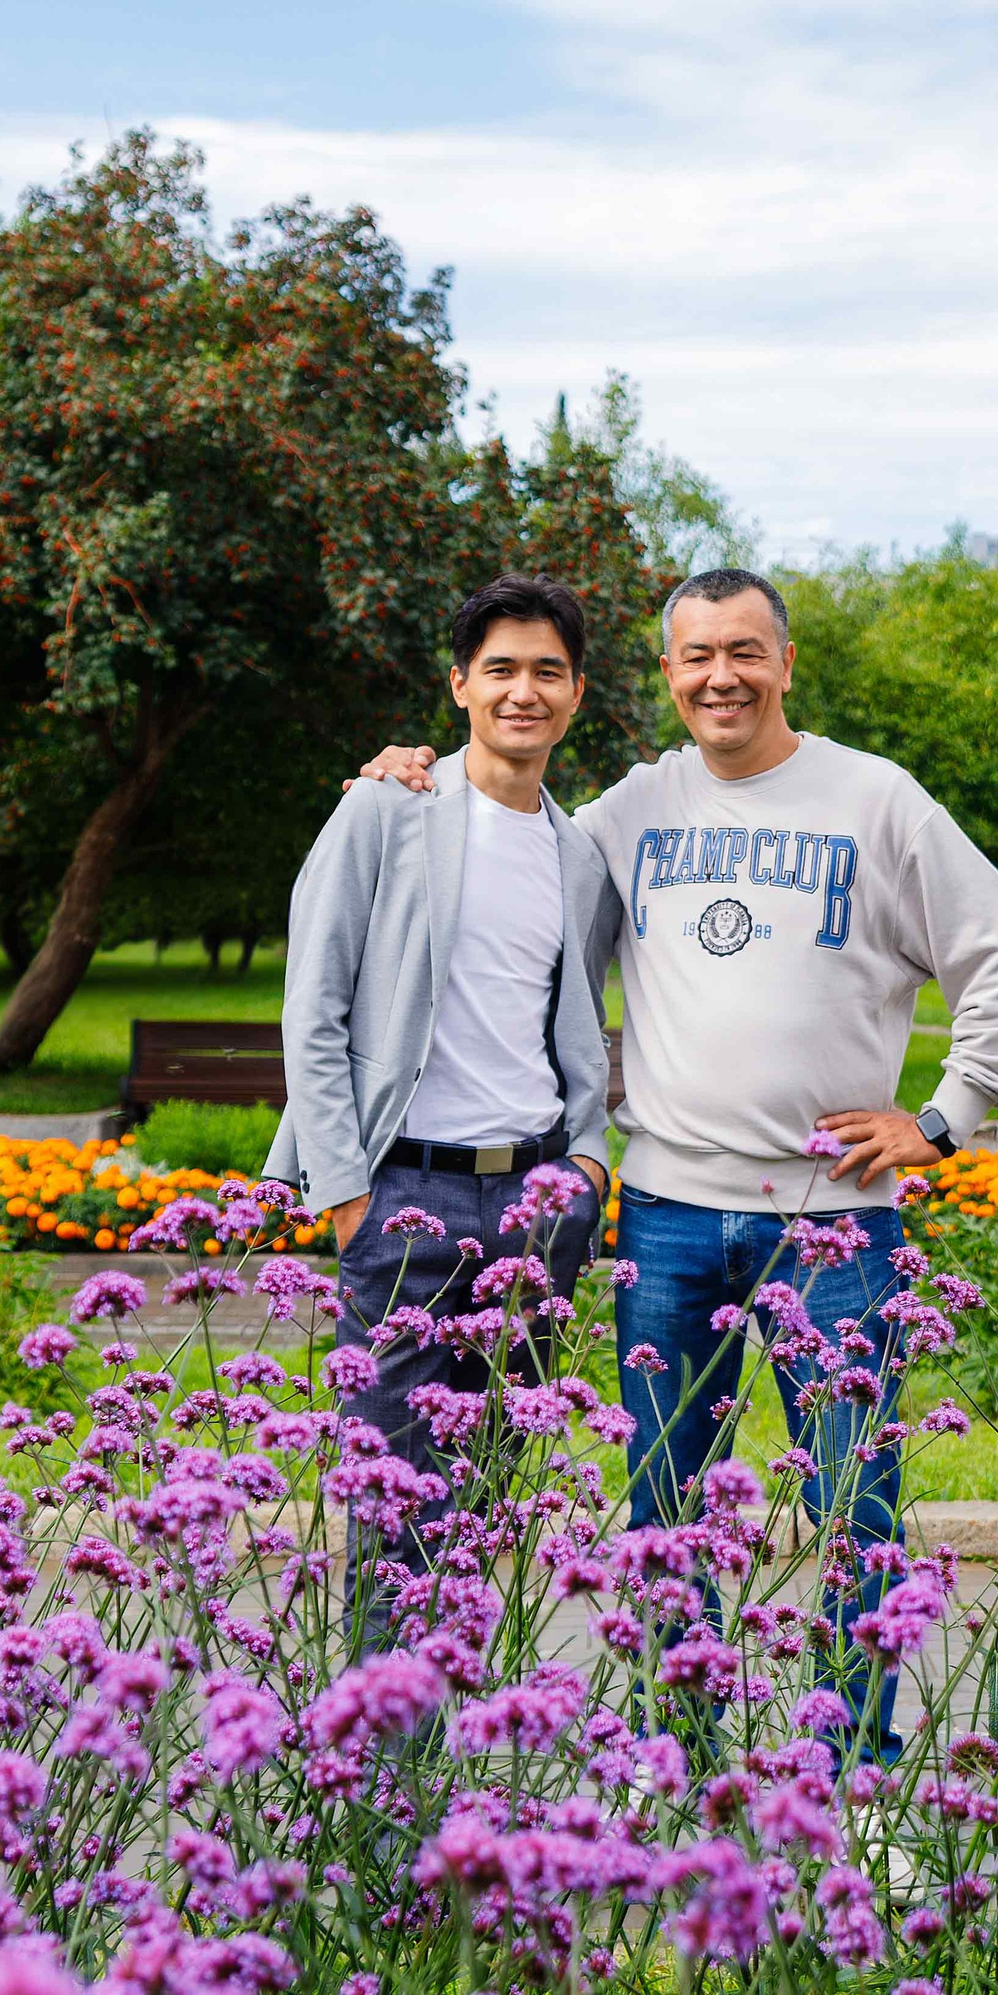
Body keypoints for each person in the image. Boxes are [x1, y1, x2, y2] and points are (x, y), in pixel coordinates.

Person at [352, 565, 998, 1757]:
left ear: (784, 663)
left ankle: (855, 1769)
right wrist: (402, 780)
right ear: (667, 672)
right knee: (664, 1508)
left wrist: (943, 1116)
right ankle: (680, 1751)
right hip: (667, 1216)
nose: (718, 675)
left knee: (853, 1504)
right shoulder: (631, 809)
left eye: (743, 650)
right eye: (694, 655)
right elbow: (509, 863)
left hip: (833, 1223)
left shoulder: (876, 801)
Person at [270, 572, 620, 1637]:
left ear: (575, 693)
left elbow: (575, 1021)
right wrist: (343, 1195)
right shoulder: (389, 810)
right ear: (460, 683)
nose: (524, 691)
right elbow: (314, 1005)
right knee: (392, 1514)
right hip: (401, 1202)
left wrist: (590, 1169)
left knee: (479, 1517)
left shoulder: (582, 852)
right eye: (501, 669)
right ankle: (382, 1790)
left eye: (546, 672)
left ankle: (458, 1778)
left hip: (537, 1208)